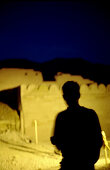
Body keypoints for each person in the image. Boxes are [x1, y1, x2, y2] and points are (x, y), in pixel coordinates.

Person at [51, 81, 103, 170]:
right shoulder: (91, 114)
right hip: (87, 165)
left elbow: (58, 143)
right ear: (79, 95)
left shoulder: (61, 117)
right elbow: (98, 141)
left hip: (69, 165)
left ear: (64, 97)